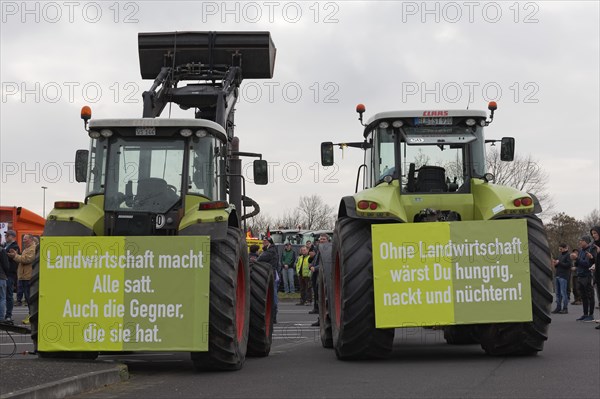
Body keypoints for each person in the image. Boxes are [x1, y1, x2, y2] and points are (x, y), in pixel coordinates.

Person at [7, 234, 37, 325]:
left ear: (31, 240)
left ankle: (32, 315)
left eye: (25, 239)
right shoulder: (26, 249)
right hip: (23, 277)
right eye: (23, 239)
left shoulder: (33, 248)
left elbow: (26, 260)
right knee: (27, 298)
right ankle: (30, 315)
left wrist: (15, 256)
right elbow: (22, 259)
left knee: (29, 298)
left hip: (28, 277)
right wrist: (16, 254)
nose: (24, 241)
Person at [570, 235, 596, 322]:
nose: (580, 242)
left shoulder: (590, 250)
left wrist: (577, 258)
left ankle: (591, 315)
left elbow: (587, 264)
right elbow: (579, 264)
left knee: (590, 295)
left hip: (587, 276)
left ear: (586, 241)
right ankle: (585, 314)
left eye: (581, 240)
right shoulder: (581, 251)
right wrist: (574, 259)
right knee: (583, 296)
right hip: (580, 276)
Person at [257, 237, 279, 323]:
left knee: (272, 296)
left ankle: (273, 316)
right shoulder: (272, 250)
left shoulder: (270, 251)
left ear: (270, 242)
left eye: (265, 241)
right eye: (263, 241)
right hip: (271, 274)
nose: (263, 242)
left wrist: (260, 255)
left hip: (270, 275)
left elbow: (260, 259)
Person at [3, 230, 19, 323]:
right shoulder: (5, 246)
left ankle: (8, 315)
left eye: (8, 235)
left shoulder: (15, 247)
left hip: (10, 274)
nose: (6, 237)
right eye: (6, 235)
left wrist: (5, 254)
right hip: (5, 274)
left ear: (13, 237)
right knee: (3, 296)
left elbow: (12, 258)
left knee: (9, 296)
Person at [552, 243, 571, 314]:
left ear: (565, 248)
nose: (560, 250)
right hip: (557, 275)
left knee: (563, 292)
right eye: (559, 249)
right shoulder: (559, 255)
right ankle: (558, 307)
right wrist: (555, 264)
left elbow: (568, 265)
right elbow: (557, 265)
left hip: (564, 276)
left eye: (561, 249)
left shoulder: (568, 255)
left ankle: (565, 308)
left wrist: (559, 263)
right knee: (557, 293)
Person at [590, 226, 600, 328]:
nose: (594, 235)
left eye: (595, 233)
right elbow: (595, 261)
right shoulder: (594, 246)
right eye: (592, 234)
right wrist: (592, 260)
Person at [0, 246, 9, 323]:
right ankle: (1, 317)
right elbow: (6, 266)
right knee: (2, 298)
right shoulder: (2, 250)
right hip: (1, 277)